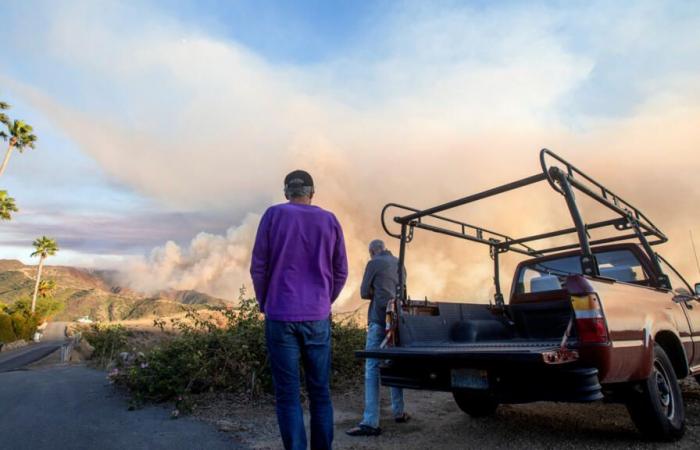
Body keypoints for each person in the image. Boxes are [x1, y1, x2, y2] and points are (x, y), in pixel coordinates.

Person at [250, 169, 348, 450]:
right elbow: (341, 270)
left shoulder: (272, 215)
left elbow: (259, 267)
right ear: (312, 193)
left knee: (288, 396)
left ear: (286, 193)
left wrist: (264, 301)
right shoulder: (329, 220)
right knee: (320, 393)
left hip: (280, 315)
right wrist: (324, 300)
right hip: (317, 317)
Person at [346, 239, 409, 437]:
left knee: (372, 367)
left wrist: (376, 291)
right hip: (396, 319)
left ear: (372, 251)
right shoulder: (400, 263)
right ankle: (399, 411)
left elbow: (364, 292)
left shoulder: (374, 263)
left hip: (379, 319)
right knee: (394, 364)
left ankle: (370, 421)